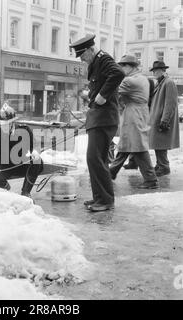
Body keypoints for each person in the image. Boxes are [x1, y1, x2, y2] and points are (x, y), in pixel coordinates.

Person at [70, 34, 125, 212]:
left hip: (104, 119)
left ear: (91, 49)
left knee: (96, 158)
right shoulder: (96, 63)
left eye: (83, 55)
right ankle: (99, 197)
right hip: (98, 118)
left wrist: (102, 95)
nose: (83, 59)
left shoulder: (103, 59)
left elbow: (118, 73)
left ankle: (106, 200)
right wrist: (92, 97)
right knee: (95, 159)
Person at [109, 55, 158, 189]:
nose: (122, 68)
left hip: (134, 115)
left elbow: (111, 91)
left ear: (132, 67)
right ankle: (111, 172)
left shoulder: (130, 81)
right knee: (126, 144)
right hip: (139, 113)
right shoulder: (142, 78)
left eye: (124, 65)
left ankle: (151, 179)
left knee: (138, 146)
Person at [0, 103, 43, 199]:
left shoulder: (25, 130)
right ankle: (6, 190)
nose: (4, 127)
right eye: (1, 124)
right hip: (7, 167)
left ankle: (25, 192)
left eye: (6, 124)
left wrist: (35, 151)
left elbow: (35, 144)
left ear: (12, 123)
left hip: (23, 164)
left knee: (38, 162)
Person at [149, 61, 180, 177]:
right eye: (153, 71)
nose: (154, 73)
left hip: (162, 119)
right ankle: (160, 165)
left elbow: (170, 103)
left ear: (163, 70)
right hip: (158, 118)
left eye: (156, 71)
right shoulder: (161, 82)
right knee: (158, 144)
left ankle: (164, 167)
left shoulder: (169, 82)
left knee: (161, 144)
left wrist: (165, 120)